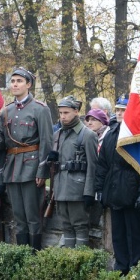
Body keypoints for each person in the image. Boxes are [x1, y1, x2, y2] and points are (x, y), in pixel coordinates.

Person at [0, 67, 53, 249]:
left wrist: (43, 170)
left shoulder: (40, 109)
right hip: (12, 168)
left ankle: (34, 256)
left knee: (33, 216)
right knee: (18, 216)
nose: (15, 84)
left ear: (28, 85)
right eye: (12, 81)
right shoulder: (6, 110)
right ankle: (22, 255)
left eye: (19, 81)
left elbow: (47, 141)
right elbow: (2, 142)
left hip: (31, 168)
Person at [95, 101, 140, 275]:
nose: (119, 113)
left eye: (123, 110)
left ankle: (135, 268)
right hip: (114, 190)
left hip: (132, 191)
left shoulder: (138, 134)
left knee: (134, 234)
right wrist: (99, 189)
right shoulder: (111, 133)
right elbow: (102, 164)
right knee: (117, 234)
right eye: (117, 110)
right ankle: (121, 266)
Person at [50, 96, 98, 248]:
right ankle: (69, 260)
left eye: (66, 112)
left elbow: (93, 166)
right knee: (66, 226)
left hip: (77, 189)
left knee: (80, 226)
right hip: (60, 188)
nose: (63, 116)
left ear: (76, 111)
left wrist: (89, 192)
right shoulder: (57, 135)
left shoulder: (88, 135)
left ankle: (80, 259)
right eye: (61, 113)